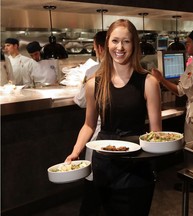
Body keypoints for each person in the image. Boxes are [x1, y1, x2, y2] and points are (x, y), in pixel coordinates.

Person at [65, 19, 162, 216]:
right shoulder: (94, 83)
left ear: (134, 44)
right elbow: (89, 125)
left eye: (126, 41)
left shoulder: (149, 82)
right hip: (105, 165)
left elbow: (156, 132)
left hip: (137, 167)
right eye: (115, 41)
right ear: (107, 43)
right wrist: (75, 151)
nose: (120, 47)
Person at [151, 30, 193, 143]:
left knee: (192, 144)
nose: (186, 45)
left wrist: (161, 79)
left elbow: (179, 91)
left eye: (188, 43)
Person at [73, 31, 107, 216]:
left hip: (99, 137)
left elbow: (80, 101)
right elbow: (88, 124)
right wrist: (76, 151)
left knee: (93, 192)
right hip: (96, 133)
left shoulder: (92, 72)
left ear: (99, 48)